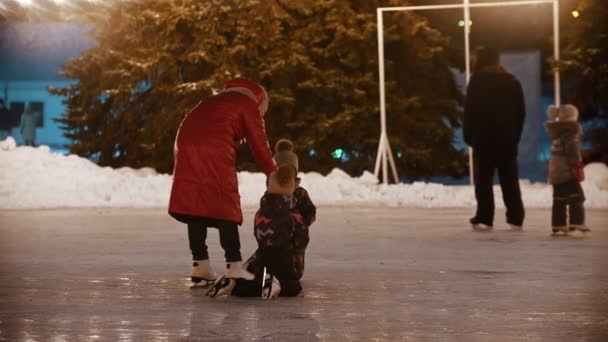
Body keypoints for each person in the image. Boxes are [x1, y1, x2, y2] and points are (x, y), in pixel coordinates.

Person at [168, 78, 276, 286]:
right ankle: (234, 265)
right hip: (214, 149)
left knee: (195, 205)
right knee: (225, 201)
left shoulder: (211, 100)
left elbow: (203, 126)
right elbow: (260, 145)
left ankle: (200, 265)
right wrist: (274, 174)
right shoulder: (248, 104)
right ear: (260, 101)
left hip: (185, 146)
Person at [212, 164, 303, 299]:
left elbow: (258, 234)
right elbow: (301, 240)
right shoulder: (292, 214)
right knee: (293, 288)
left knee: (255, 282)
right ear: (290, 187)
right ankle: (275, 285)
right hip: (283, 256)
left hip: (262, 255)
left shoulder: (260, 212)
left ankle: (236, 285)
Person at [464, 46, 526, 231]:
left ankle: (484, 216)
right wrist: (515, 136)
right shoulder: (511, 81)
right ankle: (515, 216)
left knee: (483, 180)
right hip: (507, 140)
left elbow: (470, 111)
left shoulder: (477, 81)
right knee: (509, 180)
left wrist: (469, 136)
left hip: (483, 139)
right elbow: (520, 112)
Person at [273, 138, 316, 279]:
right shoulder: (273, 193)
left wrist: (301, 225)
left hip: (297, 242)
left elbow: (310, 212)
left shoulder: (300, 193)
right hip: (277, 241)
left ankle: (294, 272)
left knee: (294, 269)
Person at [545, 104, 589, 235]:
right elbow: (572, 153)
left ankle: (558, 225)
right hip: (567, 173)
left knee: (559, 199)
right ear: (572, 118)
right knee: (577, 197)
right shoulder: (570, 133)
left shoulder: (557, 134)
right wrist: (578, 167)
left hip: (555, 173)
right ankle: (577, 221)